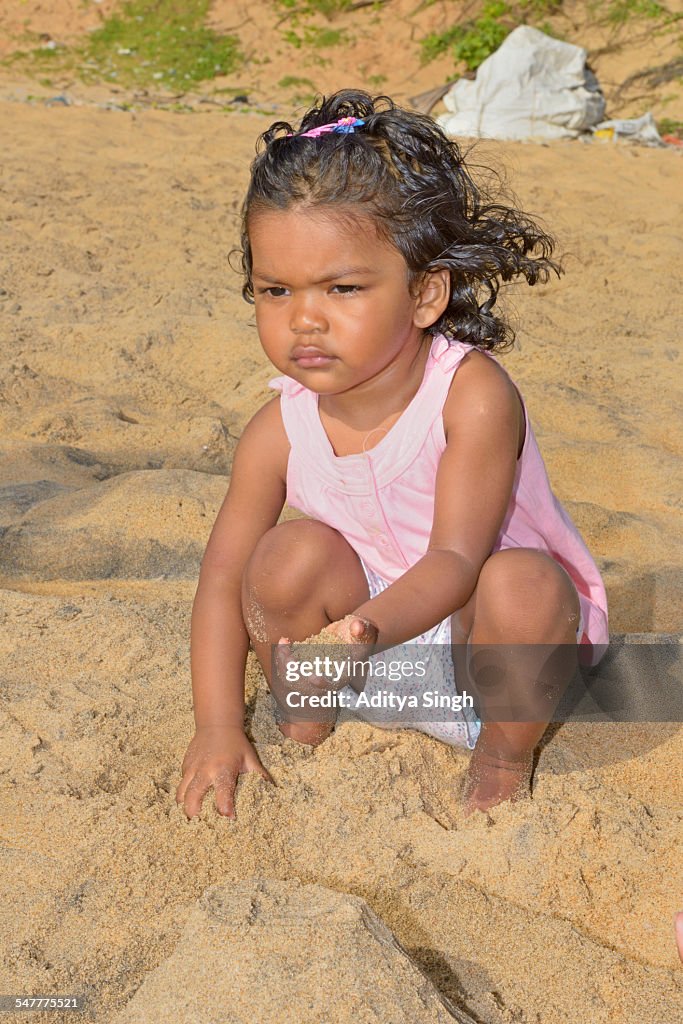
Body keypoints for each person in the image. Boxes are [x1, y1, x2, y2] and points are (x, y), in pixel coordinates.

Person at [175, 89, 609, 821]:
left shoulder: (469, 396)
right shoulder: (278, 427)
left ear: (424, 294)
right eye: (274, 289)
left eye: (342, 288)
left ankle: (501, 759)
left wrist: (364, 633)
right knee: (283, 556)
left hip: (480, 656)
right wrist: (216, 725)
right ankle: (306, 714)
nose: (303, 319)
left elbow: (453, 564)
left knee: (527, 585)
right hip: (342, 659)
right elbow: (221, 581)